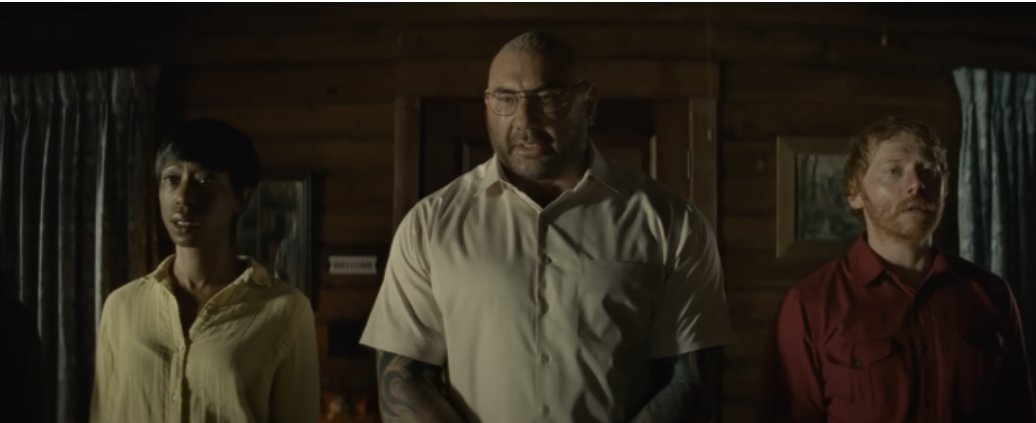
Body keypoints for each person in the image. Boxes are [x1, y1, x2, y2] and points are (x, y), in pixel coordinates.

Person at [360, 31, 731, 422]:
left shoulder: (671, 222)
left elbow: (688, 381)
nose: (525, 120)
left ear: (589, 103)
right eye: (506, 98)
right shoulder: (429, 225)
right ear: (487, 106)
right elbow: (403, 379)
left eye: (548, 98)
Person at [759, 116, 1036, 422]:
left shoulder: (991, 295)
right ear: (854, 194)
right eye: (894, 171)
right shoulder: (810, 306)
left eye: (929, 171)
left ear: (945, 190)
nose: (916, 184)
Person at [90, 119, 320, 422]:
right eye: (172, 179)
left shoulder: (286, 311)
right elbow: (104, 414)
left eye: (205, 180)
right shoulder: (121, 306)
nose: (183, 197)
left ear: (241, 197)